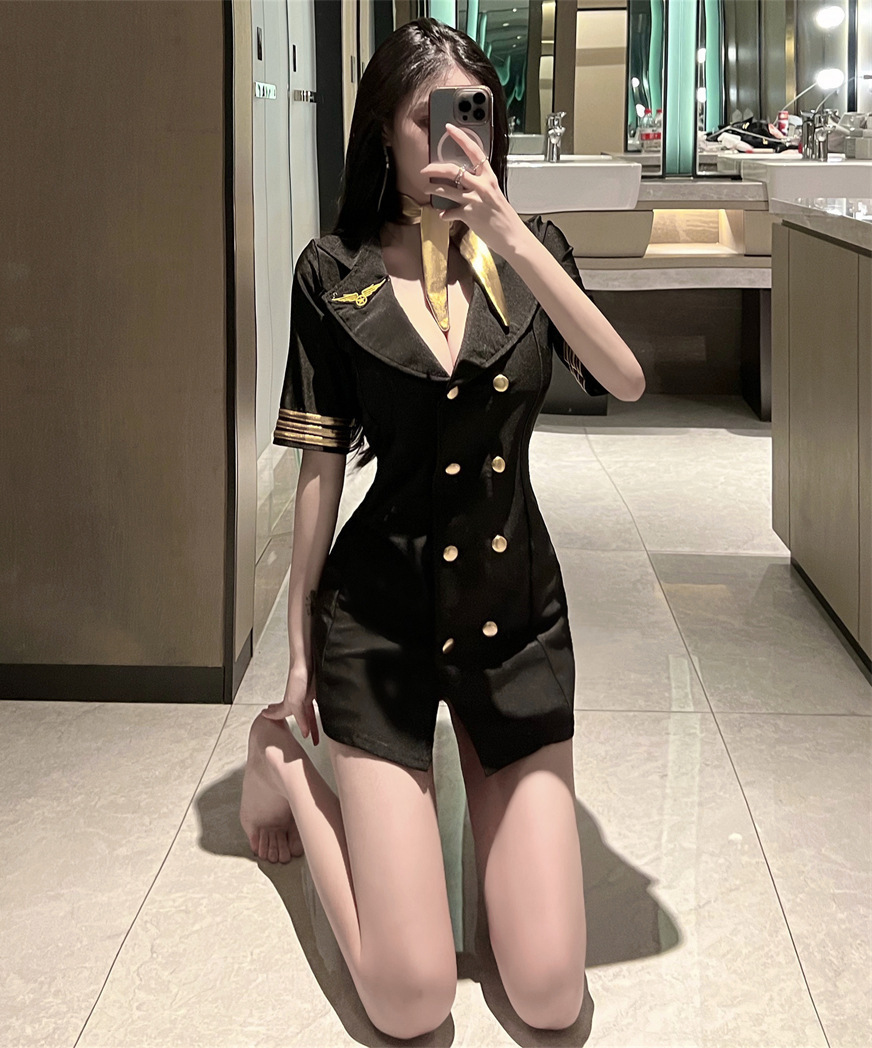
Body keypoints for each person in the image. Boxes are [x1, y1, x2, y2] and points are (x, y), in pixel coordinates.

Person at [239, 16, 644, 1041]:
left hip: (514, 620)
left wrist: (510, 235)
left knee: (549, 992)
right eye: (430, 119)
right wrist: (298, 646)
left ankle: (473, 816)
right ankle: (284, 765)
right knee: (410, 998)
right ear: (384, 131)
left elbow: (625, 378)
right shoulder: (333, 273)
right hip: (380, 625)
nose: (457, 139)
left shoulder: (530, 254)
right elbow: (320, 468)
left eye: (476, 115)